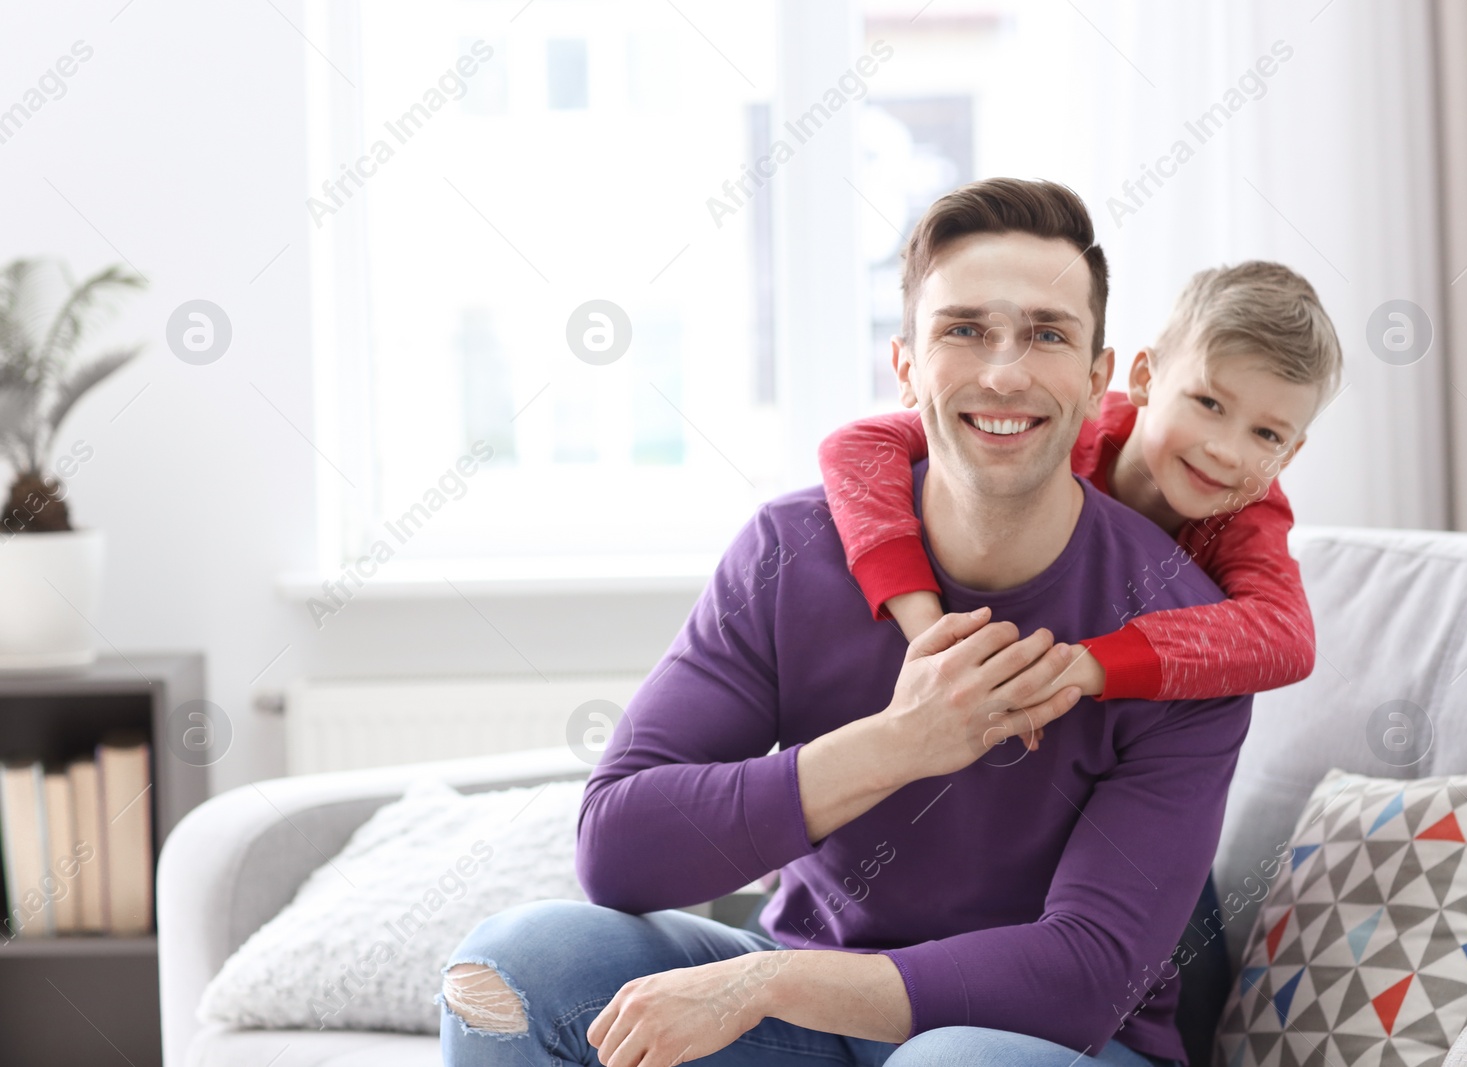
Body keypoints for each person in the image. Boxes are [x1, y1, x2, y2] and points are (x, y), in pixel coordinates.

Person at [439, 178, 1254, 1067]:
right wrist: (903, 743)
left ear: (1099, 380)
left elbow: (1085, 977)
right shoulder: (791, 552)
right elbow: (619, 851)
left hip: (1045, 1044)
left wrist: (767, 985)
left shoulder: (1185, 636)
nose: (1005, 371)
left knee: (949, 1065)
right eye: (964, 329)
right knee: (513, 969)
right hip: (815, 1018)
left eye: (1048, 334)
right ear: (905, 365)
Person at [816, 260, 1341, 709]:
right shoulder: (1066, 420)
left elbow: (1286, 637)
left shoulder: (1251, 512)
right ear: (1144, 379)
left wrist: (1072, 670)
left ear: (1290, 453)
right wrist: (929, 632)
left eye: (1267, 433)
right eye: (1208, 403)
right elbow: (857, 446)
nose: (1227, 449)